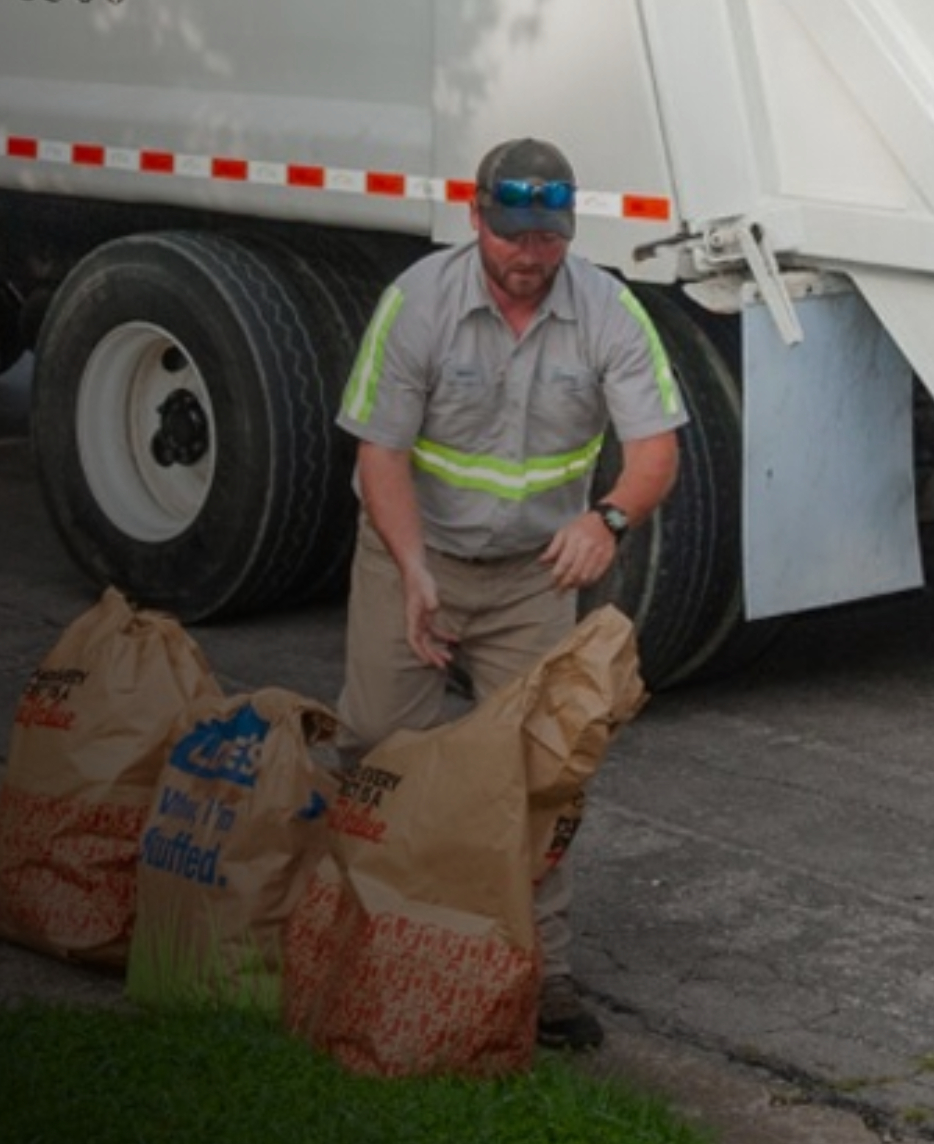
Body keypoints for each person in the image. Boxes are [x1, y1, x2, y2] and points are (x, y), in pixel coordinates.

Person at [333, 137, 687, 1051]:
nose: (529, 259)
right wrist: (413, 571)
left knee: (543, 774)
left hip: (533, 579)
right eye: (511, 237)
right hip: (417, 556)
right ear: (475, 218)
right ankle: (358, 934)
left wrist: (606, 521)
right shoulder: (417, 302)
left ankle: (545, 974)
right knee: (379, 746)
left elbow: (655, 452)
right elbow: (381, 453)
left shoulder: (608, 308)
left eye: (547, 240)